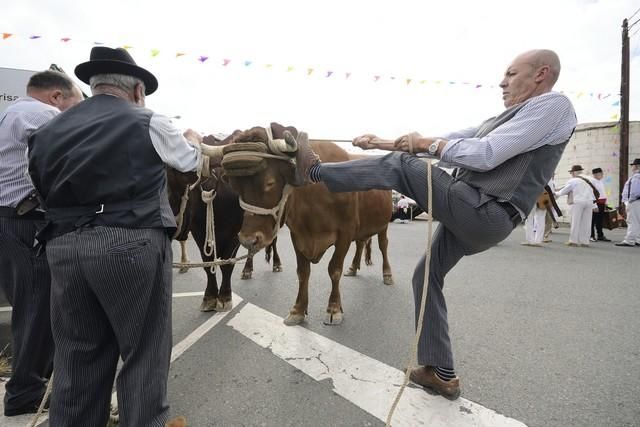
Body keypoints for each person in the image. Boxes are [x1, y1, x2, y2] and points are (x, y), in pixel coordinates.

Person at [284, 49, 576, 400]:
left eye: (511, 74)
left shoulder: (555, 107)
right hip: (476, 210)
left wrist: (419, 146)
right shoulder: (506, 118)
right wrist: (381, 141)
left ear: (541, 74)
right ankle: (441, 372)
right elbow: (453, 138)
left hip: (486, 209)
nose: (502, 81)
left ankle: (314, 172)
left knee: (401, 166)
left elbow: (484, 156)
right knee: (426, 274)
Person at [26, 47, 223, 427]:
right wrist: (194, 139)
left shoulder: (47, 130)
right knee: (143, 352)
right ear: (137, 92)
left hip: (63, 247)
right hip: (129, 242)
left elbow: (40, 184)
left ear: (94, 86)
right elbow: (188, 161)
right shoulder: (148, 121)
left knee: (77, 355)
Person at [0, 70, 83, 416]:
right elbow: (81, 153)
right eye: (74, 107)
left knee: (28, 307)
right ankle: (25, 394)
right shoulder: (44, 115)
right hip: (27, 223)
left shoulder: (11, 112)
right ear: (57, 98)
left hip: (9, 221)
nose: (74, 115)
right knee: (37, 308)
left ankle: (37, 380)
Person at [555, 165, 597, 247]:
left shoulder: (573, 180)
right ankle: (585, 241)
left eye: (571, 172)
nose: (571, 174)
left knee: (575, 221)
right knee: (587, 222)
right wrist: (594, 204)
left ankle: (573, 240)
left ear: (574, 172)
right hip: (589, 202)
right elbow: (594, 192)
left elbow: (565, 190)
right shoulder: (591, 179)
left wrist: (556, 193)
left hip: (578, 202)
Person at [614, 158, 640, 247]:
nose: (632, 167)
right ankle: (637, 239)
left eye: (633, 165)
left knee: (632, 221)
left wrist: (629, 201)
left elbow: (634, 191)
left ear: (636, 166)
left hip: (635, 201)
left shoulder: (636, 177)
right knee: (637, 221)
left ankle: (629, 240)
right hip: (636, 201)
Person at [590, 167, 611, 242]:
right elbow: (592, 194)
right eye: (600, 174)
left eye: (602, 173)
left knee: (600, 221)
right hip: (596, 203)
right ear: (595, 174)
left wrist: (606, 203)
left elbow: (603, 193)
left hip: (602, 203)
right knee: (592, 220)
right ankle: (591, 235)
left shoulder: (600, 181)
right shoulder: (593, 182)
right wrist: (594, 205)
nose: (602, 175)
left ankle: (600, 235)